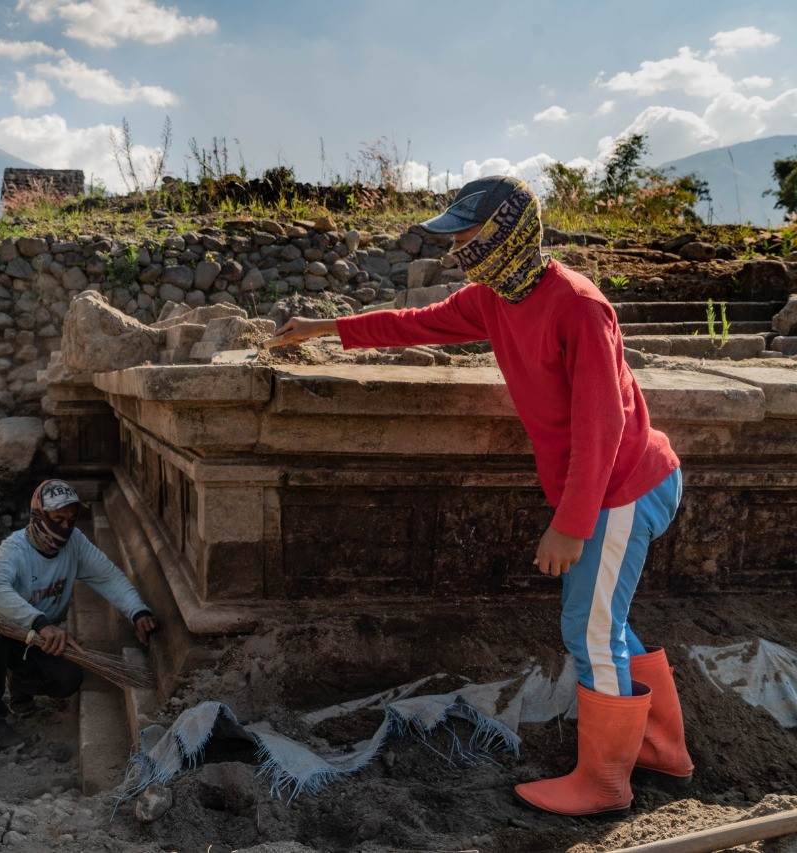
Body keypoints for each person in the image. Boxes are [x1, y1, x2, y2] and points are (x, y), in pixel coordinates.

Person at [274, 175, 692, 816]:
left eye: (467, 235)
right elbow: (416, 325)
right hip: (609, 487)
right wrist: (325, 327)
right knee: (606, 623)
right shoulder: (497, 298)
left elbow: (601, 426)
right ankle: (662, 752)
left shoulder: (578, 306)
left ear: (506, 235)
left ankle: (605, 784)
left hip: (623, 486)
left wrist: (572, 524)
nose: (457, 248)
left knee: (588, 629)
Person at [0, 479, 160, 750]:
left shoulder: (75, 544)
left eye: (72, 519)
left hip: (37, 639)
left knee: (68, 679)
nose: (66, 527)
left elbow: (108, 576)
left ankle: (18, 682)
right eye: (57, 518)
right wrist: (40, 623)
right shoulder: (15, 548)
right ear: (38, 516)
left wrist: (137, 611)